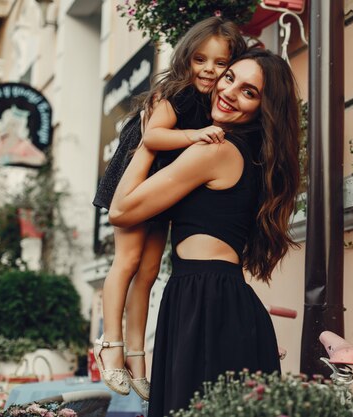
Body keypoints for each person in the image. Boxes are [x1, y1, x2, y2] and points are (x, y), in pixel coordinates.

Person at [108, 48, 301, 417]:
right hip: (215, 300)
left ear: (264, 108)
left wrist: (150, 138)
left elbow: (121, 209)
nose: (229, 91)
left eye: (249, 92)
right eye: (230, 78)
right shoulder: (252, 154)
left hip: (205, 304)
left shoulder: (217, 150)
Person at [92, 17, 246, 400]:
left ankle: (137, 357)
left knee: (147, 272)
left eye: (220, 63)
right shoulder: (171, 92)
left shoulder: (214, 101)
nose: (209, 70)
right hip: (135, 175)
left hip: (166, 188)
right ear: (186, 58)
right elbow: (153, 136)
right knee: (126, 262)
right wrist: (195, 135)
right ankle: (109, 345)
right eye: (200, 59)